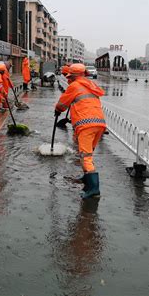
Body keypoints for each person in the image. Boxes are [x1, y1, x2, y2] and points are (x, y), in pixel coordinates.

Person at [54, 63, 106, 199]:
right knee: (88, 153)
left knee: (85, 156)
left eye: (69, 76)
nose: (68, 79)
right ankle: (87, 177)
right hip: (99, 124)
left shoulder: (75, 86)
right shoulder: (91, 85)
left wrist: (57, 110)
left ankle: (94, 189)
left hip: (86, 125)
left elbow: (62, 103)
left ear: (74, 76)